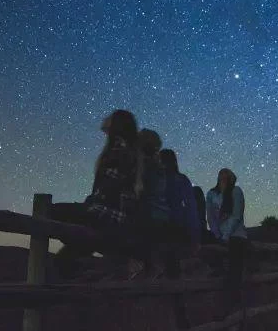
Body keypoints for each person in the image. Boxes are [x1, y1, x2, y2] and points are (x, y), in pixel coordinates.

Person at [53, 110, 139, 279]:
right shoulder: (125, 148)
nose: (105, 119)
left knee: (52, 212)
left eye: (110, 117)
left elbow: (110, 187)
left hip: (110, 215)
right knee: (65, 258)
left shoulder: (118, 148)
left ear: (117, 125)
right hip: (112, 213)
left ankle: (95, 260)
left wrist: (89, 205)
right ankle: (87, 259)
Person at [130, 129, 178, 280]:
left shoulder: (146, 165)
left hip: (150, 218)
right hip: (160, 217)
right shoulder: (157, 166)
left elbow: (143, 194)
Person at [205, 167, 248, 313]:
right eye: (220, 176)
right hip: (220, 235)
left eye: (226, 176)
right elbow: (210, 217)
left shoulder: (236, 191)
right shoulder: (211, 194)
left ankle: (231, 307)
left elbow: (236, 215)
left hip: (236, 235)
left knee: (234, 272)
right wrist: (217, 235)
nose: (223, 179)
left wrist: (225, 236)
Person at [160, 149, 199, 249]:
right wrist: (194, 235)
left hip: (160, 224)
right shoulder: (181, 179)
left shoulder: (155, 177)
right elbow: (191, 208)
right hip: (176, 225)